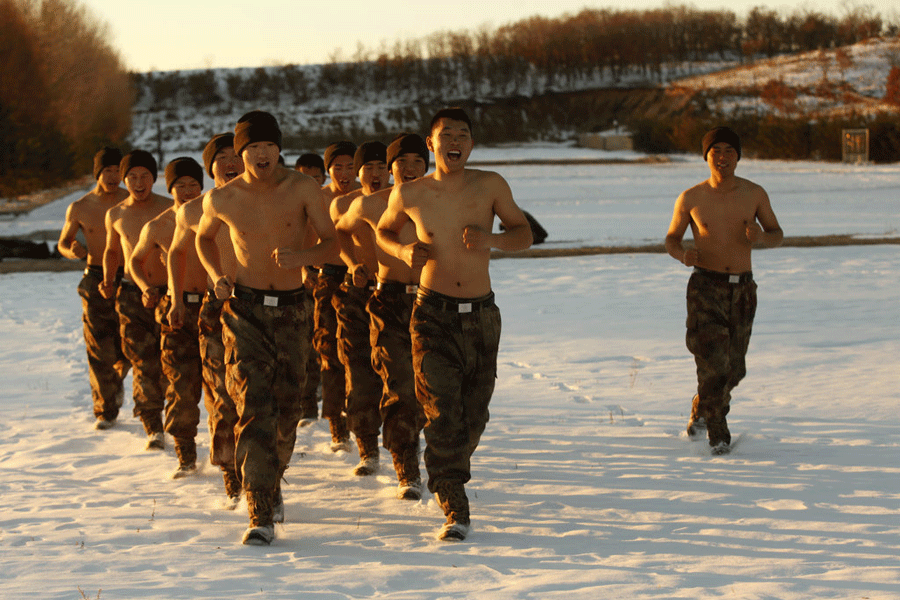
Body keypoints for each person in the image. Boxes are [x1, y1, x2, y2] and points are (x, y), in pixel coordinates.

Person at [377, 108, 533, 540]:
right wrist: (404, 253)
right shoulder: (411, 193)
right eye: (447, 134)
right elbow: (383, 233)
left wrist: (494, 240)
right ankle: (452, 500)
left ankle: (447, 462)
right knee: (443, 411)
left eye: (464, 134)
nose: (456, 140)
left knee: (474, 415)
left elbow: (524, 234)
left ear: (471, 143)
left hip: (481, 315)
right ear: (431, 144)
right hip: (431, 314)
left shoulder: (491, 185)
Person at [196, 110, 336, 546]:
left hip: (294, 309)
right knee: (253, 403)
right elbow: (203, 238)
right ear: (241, 153)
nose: (262, 154)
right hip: (245, 309)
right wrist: (217, 273)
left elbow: (333, 241)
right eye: (253, 147)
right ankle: (258, 506)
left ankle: (272, 480)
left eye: (269, 147)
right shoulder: (223, 198)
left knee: (288, 407)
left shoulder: (303, 188)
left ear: (279, 149)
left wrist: (305, 257)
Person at [665, 126, 783, 455]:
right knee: (712, 361)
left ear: (738, 156)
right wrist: (682, 254)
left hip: (743, 289)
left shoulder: (754, 194)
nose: (723, 156)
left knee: (735, 367)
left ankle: (703, 404)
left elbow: (777, 234)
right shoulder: (691, 197)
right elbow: (671, 239)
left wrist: (761, 237)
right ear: (706, 156)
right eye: (716, 150)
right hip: (705, 286)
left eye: (730, 150)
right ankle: (717, 429)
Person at [336, 133, 429, 498]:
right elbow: (340, 233)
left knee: (434, 389)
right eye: (399, 163)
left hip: (430, 301)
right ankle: (406, 467)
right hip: (386, 300)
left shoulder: (437, 200)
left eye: (417, 162)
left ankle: (438, 456)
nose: (408, 170)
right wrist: (353, 263)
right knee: (398, 384)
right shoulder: (368, 206)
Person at [167, 133, 244, 505]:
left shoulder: (265, 201)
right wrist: (177, 298)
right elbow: (177, 253)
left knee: (266, 396)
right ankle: (232, 472)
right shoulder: (194, 211)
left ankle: (266, 471)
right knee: (221, 394)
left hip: (266, 306)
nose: (231, 163)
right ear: (210, 167)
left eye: (236, 155)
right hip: (216, 309)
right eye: (222, 157)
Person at [130, 157, 205, 478]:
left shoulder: (215, 216)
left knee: (224, 386)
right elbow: (135, 260)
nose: (188, 192)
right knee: (180, 383)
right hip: (176, 310)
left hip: (216, 307)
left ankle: (227, 454)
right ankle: (185, 454)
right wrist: (147, 286)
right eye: (180, 186)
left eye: (193, 185)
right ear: (170, 188)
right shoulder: (159, 225)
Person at [101, 150, 172, 450]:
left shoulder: (171, 208)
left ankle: (173, 415)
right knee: (143, 360)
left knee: (170, 361)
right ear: (124, 179)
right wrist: (107, 278)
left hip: (171, 293)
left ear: (154, 178)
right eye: (132, 176)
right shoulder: (116, 213)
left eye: (144, 176)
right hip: (133, 296)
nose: (138, 182)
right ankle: (152, 424)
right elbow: (112, 251)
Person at [57, 147, 130, 430]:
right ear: (97, 173)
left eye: (117, 171)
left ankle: (117, 379)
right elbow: (63, 243)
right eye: (107, 171)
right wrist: (71, 249)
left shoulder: (131, 201)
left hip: (129, 279)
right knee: (99, 347)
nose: (113, 177)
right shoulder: (80, 206)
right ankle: (105, 410)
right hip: (95, 278)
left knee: (130, 346)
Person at [331, 141, 391, 476]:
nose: (375, 174)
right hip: (357, 294)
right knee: (359, 370)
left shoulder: (400, 199)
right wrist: (352, 264)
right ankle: (367, 445)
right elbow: (338, 238)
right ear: (357, 172)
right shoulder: (343, 204)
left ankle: (404, 443)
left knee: (400, 372)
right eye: (368, 167)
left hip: (396, 293)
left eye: (381, 167)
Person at [311, 141, 358, 451]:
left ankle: (364, 419)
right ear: (328, 170)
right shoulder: (317, 199)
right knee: (329, 351)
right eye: (337, 166)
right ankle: (336, 423)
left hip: (363, 280)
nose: (344, 173)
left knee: (361, 354)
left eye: (351, 166)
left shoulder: (368, 198)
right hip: (327, 277)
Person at [293, 153, 326, 425]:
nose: (311, 183)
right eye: (305, 177)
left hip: (330, 282)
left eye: (317, 178)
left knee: (325, 345)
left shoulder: (332, 203)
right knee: (301, 346)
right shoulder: (287, 204)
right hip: (297, 283)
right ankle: (306, 404)